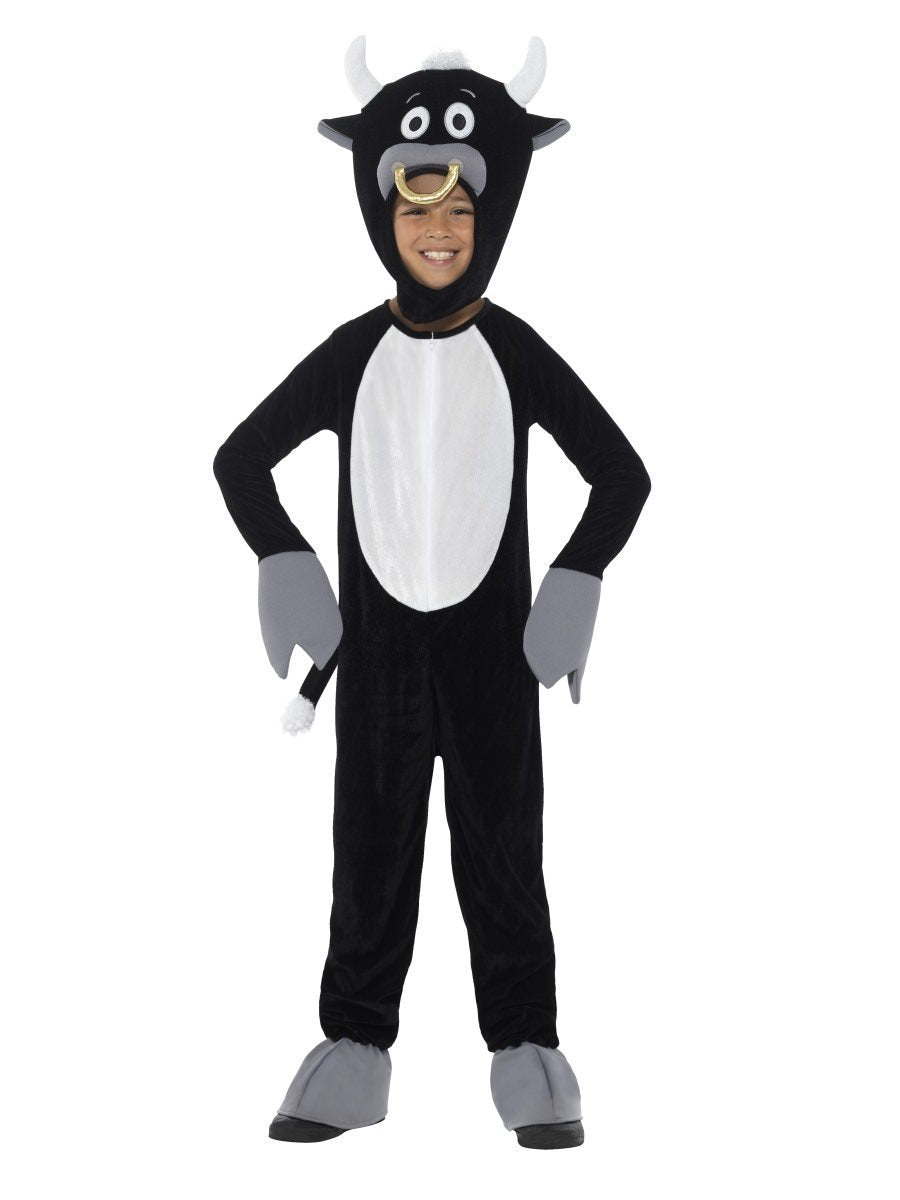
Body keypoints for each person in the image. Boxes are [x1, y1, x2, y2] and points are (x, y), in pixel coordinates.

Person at [213, 37, 651, 1150]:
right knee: (369, 851)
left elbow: (622, 474)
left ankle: (528, 1049)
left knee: (502, 850)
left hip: (493, 654)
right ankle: (355, 1049)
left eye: (461, 209)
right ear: (381, 212)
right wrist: (287, 563)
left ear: (494, 213)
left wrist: (575, 579)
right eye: (417, 210)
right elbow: (240, 460)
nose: (440, 230)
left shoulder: (517, 351)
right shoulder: (352, 353)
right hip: (379, 659)